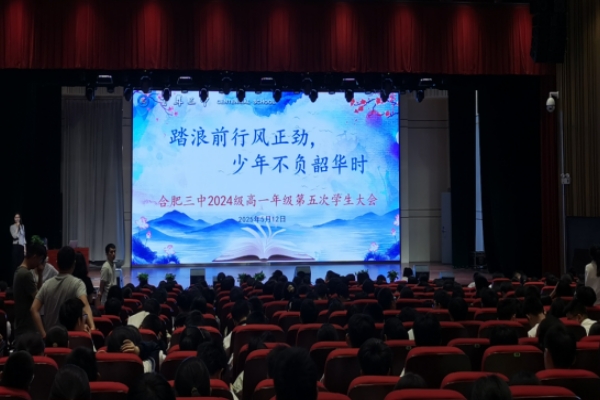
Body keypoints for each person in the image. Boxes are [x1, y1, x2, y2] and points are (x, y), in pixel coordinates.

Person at [31, 246, 95, 337]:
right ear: (74, 263)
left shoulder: (46, 285)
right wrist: (92, 327)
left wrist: (44, 334)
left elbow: (34, 309)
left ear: (57, 263)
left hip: (51, 337)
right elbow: (85, 306)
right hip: (69, 338)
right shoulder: (78, 284)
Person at [13, 242, 46, 337]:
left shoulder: (19, 271)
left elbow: (37, 293)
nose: (39, 264)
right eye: (40, 260)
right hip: (26, 327)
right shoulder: (26, 274)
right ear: (34, 257)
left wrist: (40, 274)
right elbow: (38, 298)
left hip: (22, 325)